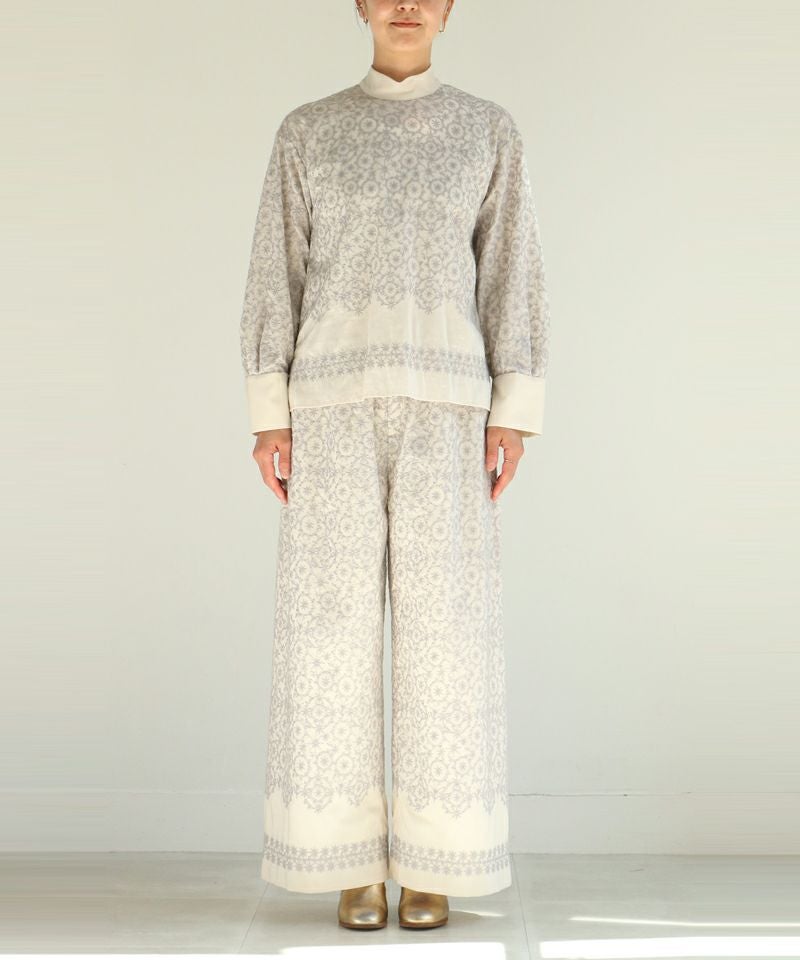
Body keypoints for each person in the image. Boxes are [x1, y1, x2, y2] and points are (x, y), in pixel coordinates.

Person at [238, 0, 550, 932]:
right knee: (327, 631)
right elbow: (276, 269)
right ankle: (348, 861)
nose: (406, 5)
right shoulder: (309, 131)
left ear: (448, 11)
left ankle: (433, 861)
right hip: (327, 407)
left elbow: (512, 269)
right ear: (361, 7)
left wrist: (514, 408)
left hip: (450, 408)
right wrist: (268, 412)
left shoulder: (487, 131)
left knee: (447, 632)